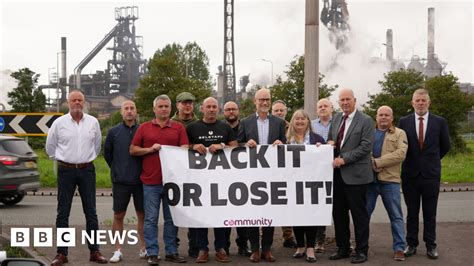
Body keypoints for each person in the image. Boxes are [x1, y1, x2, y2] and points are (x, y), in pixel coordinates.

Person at [46, 89, 107, 265]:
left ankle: (94, 251)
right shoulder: (59, 123)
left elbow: (97, 146)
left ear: (85, 101)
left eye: (80, 100)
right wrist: (65, 159)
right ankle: (62, 253)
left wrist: (85, 160)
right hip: (66, 170)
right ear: (68, 102)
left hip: (87, 170)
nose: (77, 103)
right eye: (74, 100)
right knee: (63, 213)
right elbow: (50, 147)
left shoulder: (93, 122)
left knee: (91, 212)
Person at [130, 95, 188, 265]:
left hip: (172, 182)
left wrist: (175, 151)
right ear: (154, 109)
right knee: (151, 219)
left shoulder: (178, 128)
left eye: (166, 106)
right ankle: (152, 252)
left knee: (171, 219)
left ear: (171, 109)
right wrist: (149, 149)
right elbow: (133, 149)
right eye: (160, 106)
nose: (164, 109)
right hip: (150, 181)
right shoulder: (144, 128)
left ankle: (171, 251)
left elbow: (185, 149)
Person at [398, 88, 450, 260]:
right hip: (410, 175)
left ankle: (431, 245)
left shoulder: (439, 122)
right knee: (411, 212)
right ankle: (411, 244)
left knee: (430, 212)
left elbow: (445, 146)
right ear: (412, 102)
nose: (420, 103)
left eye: (423, 100)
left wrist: (431, 161)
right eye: (417, 100)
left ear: (429, 102)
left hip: (431, 175)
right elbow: (401, 146)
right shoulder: (403, 122)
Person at [186, 97, 239, 263]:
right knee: (201, 215)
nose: (211, 109)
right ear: (202, 108)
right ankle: (202, 249)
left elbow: (235, 147)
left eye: (214, 107)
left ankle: (221, 248)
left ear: (218, 109)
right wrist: (193, 146)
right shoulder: (192, 127)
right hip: (199, 180)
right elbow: (181, 148)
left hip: (222, 180)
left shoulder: (225, 127)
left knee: (220, 215)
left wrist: (222, 146)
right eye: (208, 106)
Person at [237, 87, 287, 263]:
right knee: (253, 213)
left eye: (267, 99)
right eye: (261, 100)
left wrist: (282, 143)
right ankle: (255, 250)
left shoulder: (279, 123)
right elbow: (237, 145)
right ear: (255, 102)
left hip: (272, 175)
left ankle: (266, 249)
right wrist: (245, 143)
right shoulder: (245, 122)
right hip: (251, 175)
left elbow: (286, 146)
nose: (265, 102)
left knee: (269, 213)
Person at [327, 88, 374, 264]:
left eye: (348, 99)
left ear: (354, 100)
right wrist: (329, 144)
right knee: (338, 214)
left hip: (356, 176)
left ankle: (362, 250)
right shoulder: (337, 118)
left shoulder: (366, 120)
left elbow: (365, 147)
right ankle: (343, 248)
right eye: (342, 100)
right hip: (337, 176)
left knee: (359, 215)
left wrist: (344, 160)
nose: (345, 102)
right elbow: (333, 140)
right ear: (338, 103)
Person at [104, 100, 146, 263]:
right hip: (120, 181)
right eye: (126, 109)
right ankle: (117, 250)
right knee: (118, 215)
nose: (129, 111)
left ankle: (143, 248)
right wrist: (117, 170)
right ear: (121, 112)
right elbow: (108, 154)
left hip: (141, 180)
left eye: (132, 108)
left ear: (136, 112)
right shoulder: (113, 132)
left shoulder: (143, 130)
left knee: (142, 215)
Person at [367, 106, 408, 261]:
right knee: (364, 215)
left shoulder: (399, 133)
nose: (383, 117)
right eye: (381, 115)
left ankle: (399, 248)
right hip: (369, 180)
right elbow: (364, 151)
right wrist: (371, 163)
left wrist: (378, 163)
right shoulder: (369, 133)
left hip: (390, 181)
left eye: (386, 115)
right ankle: (361, 245)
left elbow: (400, 153)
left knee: (396, 216)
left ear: (392, 118)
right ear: (376, 117)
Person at [286, 109, 325, 263]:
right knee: (297, 215)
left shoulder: (317, 139)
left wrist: (321, 148)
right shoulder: (286, 139)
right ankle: (300, 246)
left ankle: (310, 248)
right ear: (292, 122)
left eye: (303, 119)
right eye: (297, 119)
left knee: (311, 216)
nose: (300, 121)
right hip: (292, 183)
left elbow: (326, 158)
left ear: (308, 121)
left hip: (312, 183)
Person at [222, 101, 252, 257]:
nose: (231, 112)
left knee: (243, 214)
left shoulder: (246, 125)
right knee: (225, 215)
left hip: (244, 176)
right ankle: (224, 246)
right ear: (224, 112)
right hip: (224, 177)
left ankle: (243, 245)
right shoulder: (220, 127)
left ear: (238, 111)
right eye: (228, 109)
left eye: (233, 109)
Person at [171, 91, 198, 257]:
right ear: (178, 105)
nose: (187, 105)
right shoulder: (170, 123)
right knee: (173, 211)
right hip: (174, 173)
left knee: (194, 212)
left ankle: (194, 247)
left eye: (190, 103)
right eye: (184, 103)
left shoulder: (199, 123)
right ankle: (172, 246)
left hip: (195, 173)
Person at [271, 100, 296, 249]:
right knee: (267, 205)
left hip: (287, 172)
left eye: (281, 110)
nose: (279, 113)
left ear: (286, 111)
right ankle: (263, 237)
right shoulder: (269, 125)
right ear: (272, 112)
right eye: (276, 111)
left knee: (287, 204)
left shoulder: (293, 126)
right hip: (270, 171)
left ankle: (288, 236)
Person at [310, 98, 333, 253]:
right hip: (316, 170)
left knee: (338, 207)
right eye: (320, 106)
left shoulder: (338, 122)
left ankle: (343, 240)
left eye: (326, 106)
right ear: (317, 110)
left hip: (336, 168)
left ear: (331, 108)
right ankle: (319, 239)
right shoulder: (310, 125)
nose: (323, 108)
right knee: (318, 204)